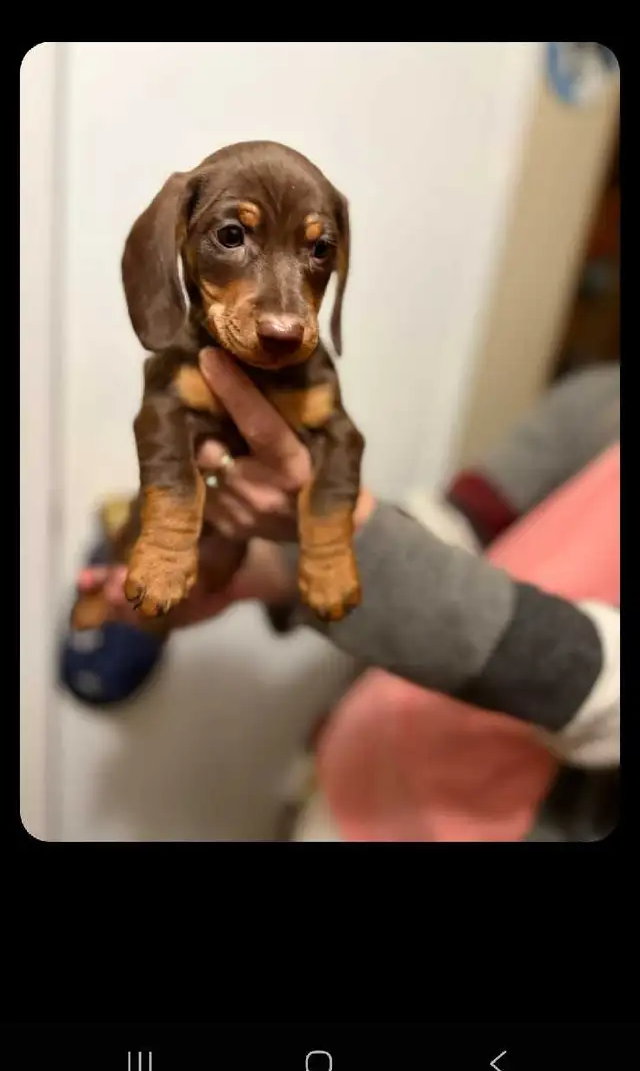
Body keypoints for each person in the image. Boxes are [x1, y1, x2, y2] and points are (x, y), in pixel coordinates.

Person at [66, 350, 619, 839]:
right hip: (358, 771)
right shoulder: (598, 400)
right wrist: (272, 569)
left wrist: (332, 539)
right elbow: (454, 529)